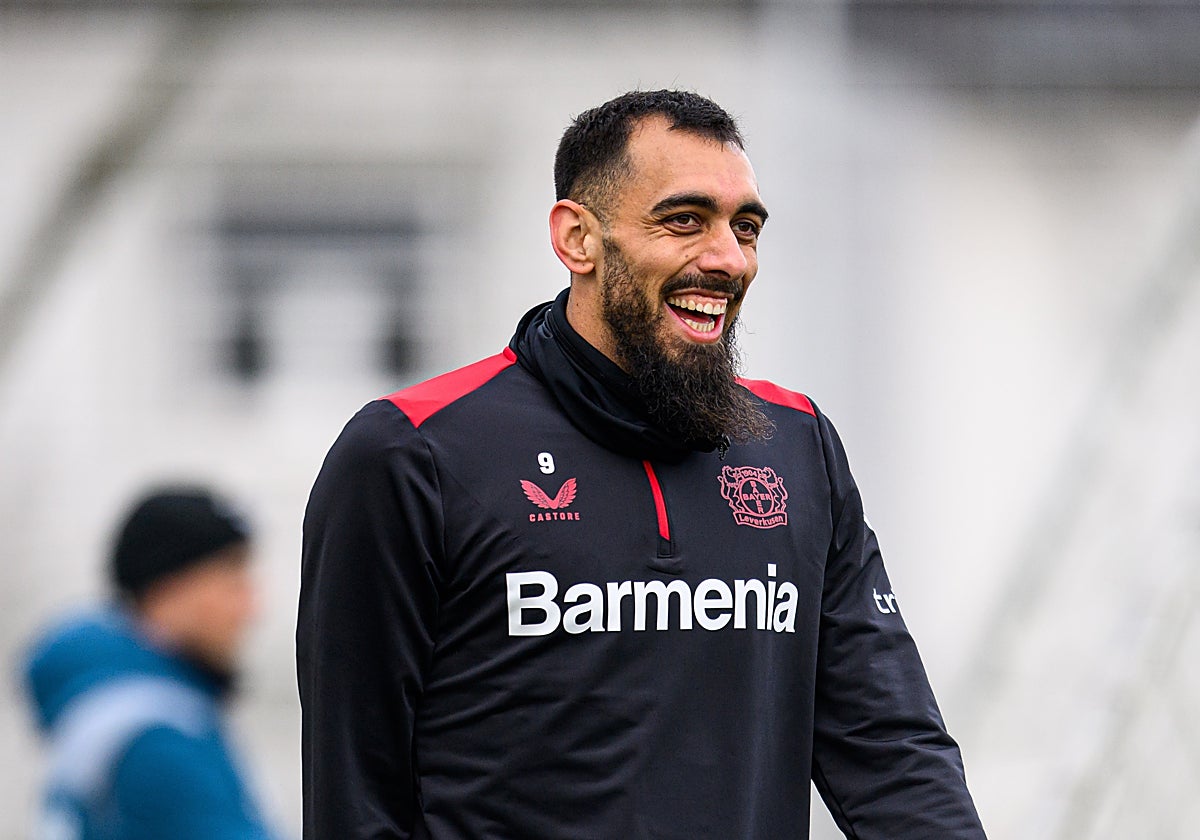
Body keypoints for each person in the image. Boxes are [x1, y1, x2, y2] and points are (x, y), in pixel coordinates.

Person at [298, 90, 987, 838]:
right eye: (684, 221)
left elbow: (891, 748)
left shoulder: (796, 446)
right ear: (577, 239)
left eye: (746, 228)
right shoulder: (412, 452)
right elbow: (357, 798)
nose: (727, 259)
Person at [21, 486, 280, 840]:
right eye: (232, 581)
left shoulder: (109, 711)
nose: (252, 609)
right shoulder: (157, 742)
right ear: (169, 588)